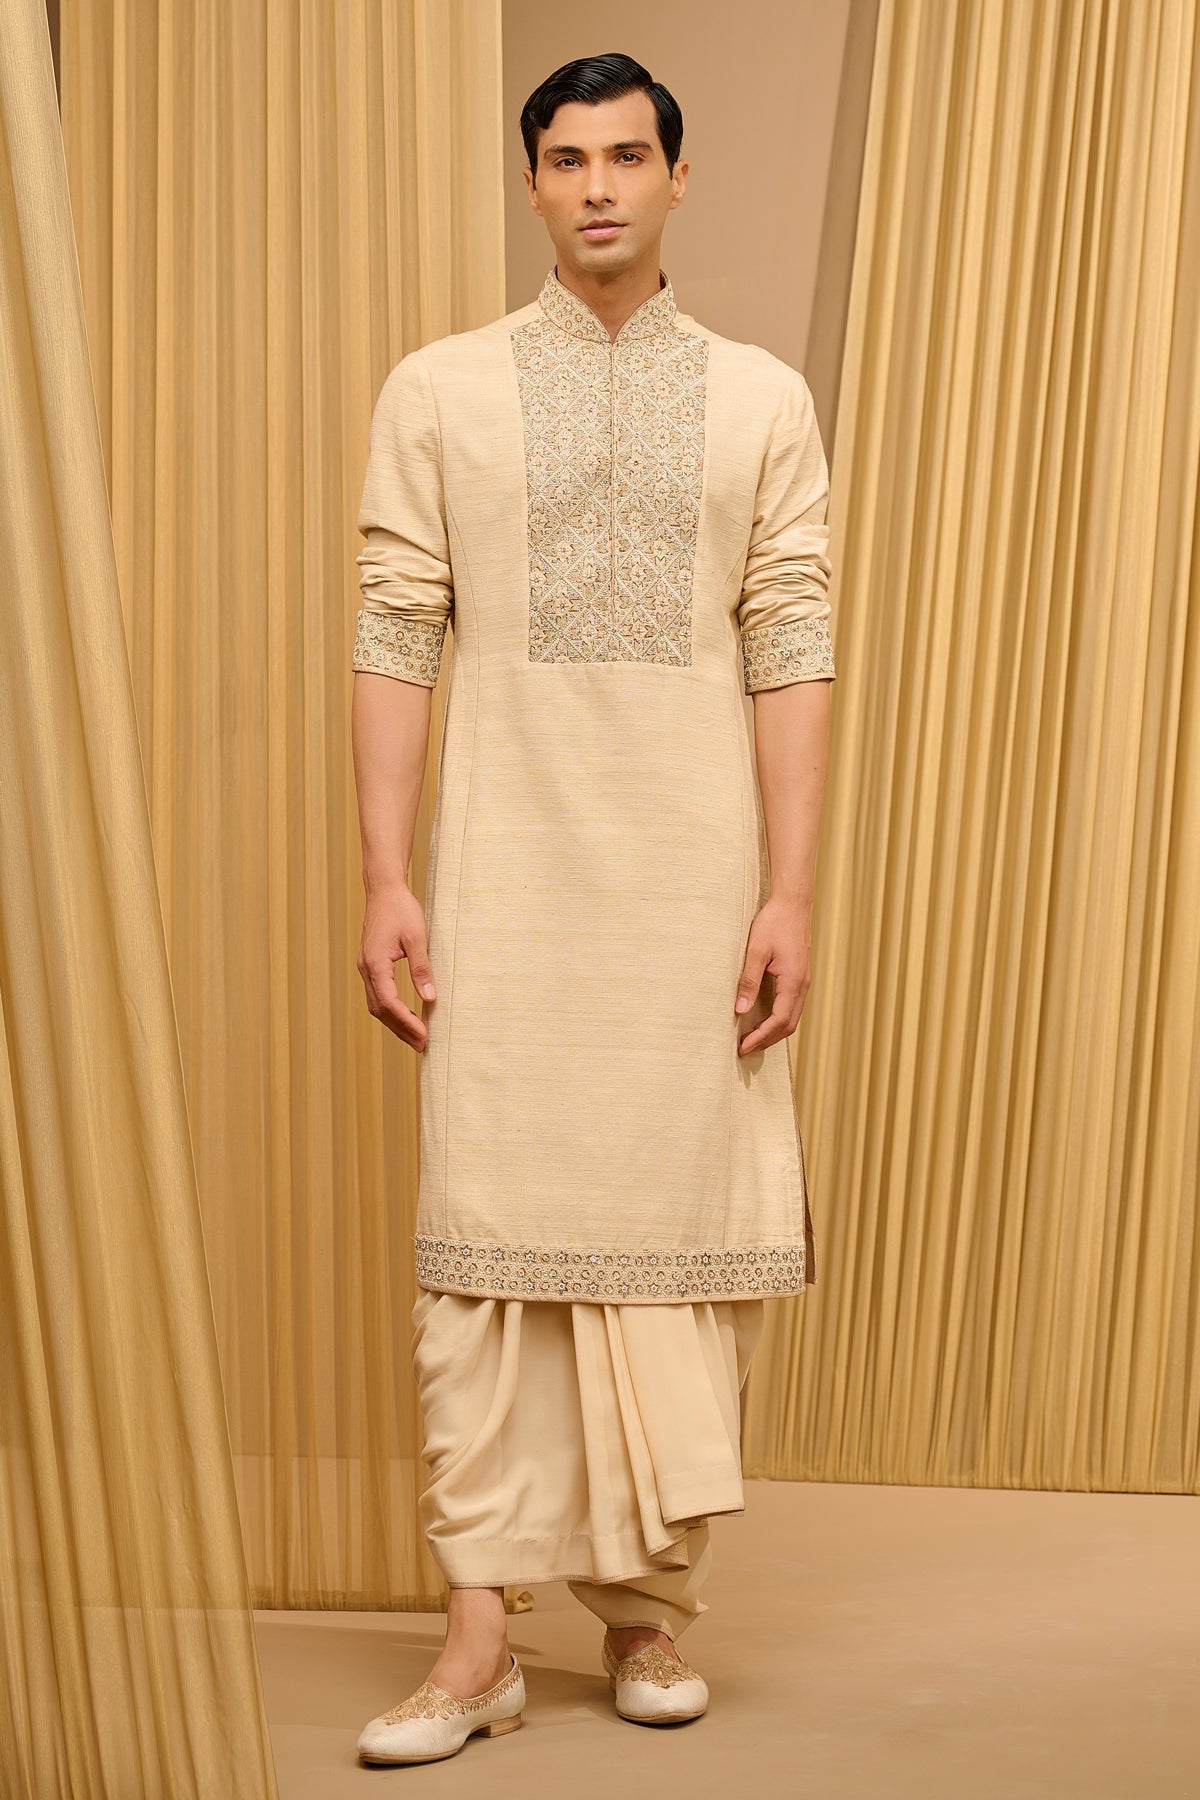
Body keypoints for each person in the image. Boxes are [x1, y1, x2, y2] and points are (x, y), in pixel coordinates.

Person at [350, 50, 835, 1767]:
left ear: (678, 177)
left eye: (629, 156)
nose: (600, 186)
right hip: (507, 874)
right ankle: (479, 1638)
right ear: (534, 184)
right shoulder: (441, 389)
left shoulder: (762, 398)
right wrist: (388, 872)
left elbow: (791, 639)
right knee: (489, 1238)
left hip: (692, 885)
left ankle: (645, 1612)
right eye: (568, 160)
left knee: (670, 1242)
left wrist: (788, 889)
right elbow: (396, 624)